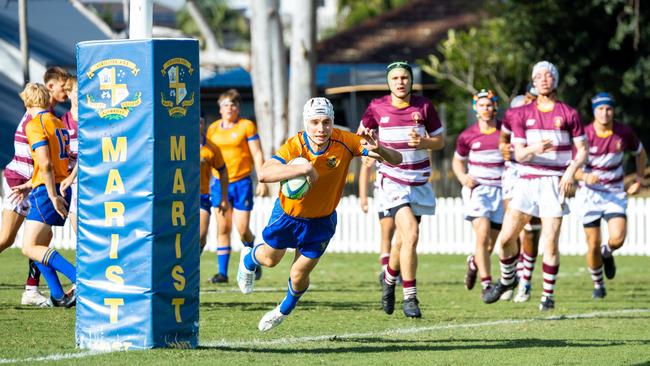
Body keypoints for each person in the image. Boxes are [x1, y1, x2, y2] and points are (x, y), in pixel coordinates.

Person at [236, 97, 401, 331]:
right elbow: (263, 173)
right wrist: (302, 168)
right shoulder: (296, 145)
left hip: (321, 222)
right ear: (306, 123)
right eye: (314, 122)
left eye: (326, 122)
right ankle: (248, 259)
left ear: (333, 122)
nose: (321, 129)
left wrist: (380, 149)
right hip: (287, 217)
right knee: (270, 260)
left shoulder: (346, 141)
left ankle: (283, 310)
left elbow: (398, 160)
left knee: (298, 274)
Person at [482, 61, 588, 311]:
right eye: (538, 76)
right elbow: (517, 154)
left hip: (555, 181)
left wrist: (571, 172)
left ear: (555, 80)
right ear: (533, 81)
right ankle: (508, 279)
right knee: (506, 240)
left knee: (550, 241)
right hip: (527, 181)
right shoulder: (521, 113)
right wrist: (535, 149)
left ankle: (547, 295)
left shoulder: (569, 113)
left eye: (548, 75)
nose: (543, 79)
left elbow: (582, 150)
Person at [360, 61, 445, 318]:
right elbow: (361, 136)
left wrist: (425, 141)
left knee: (403, 240)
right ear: (389, 82)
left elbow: (440, 141)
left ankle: (388, 279)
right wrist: (367, 152)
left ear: (411, 81)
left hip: (418, 181)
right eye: (395, 78)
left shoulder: (424, 106)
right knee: (412, 233)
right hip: (391, 179)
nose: (400, 82)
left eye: (405, 78)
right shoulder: (376, 107)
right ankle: (410, 297)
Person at [0, 67, 69, 307]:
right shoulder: (37, 119)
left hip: (34, 184)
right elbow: (42, 161)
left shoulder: (48, 118)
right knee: (7, 239)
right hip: (21, 183)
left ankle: (43, 292)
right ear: (49, 88)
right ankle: (48, 290)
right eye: (64, 87)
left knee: (38, 241)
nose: (67, 91)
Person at [574, 92, 646, 299]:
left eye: (608, 109)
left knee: (618, 238)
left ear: (613, 110)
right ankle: (598, 284)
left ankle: (608, 253)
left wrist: (639, 180)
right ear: (594, 111)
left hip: (614, 193)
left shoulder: (623, 132)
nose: (605, 113)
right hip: (589, 195)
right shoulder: (584, 135)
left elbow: (640, 153)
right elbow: (573, 168)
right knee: (592, 244)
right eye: (600, 109)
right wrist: (585, 177)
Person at [19, 83, 76, 307]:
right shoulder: (57, 123)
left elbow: (46, 163)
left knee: (29, 247)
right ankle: (59, 295)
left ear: (27, 101)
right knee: (40, 244)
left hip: (49, 190)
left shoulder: (34, 125)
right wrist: (29, 184)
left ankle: (80, 278)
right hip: (60, 186)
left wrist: (51, 195)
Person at [206, 89, 267, 283]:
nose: (229, 108)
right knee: (223, 228)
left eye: (233, 104)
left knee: (242, 229)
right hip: (218, 184)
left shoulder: (246, 126)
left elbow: (256, 153)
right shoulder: (213, 129)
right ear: (220, 109)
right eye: (225, 104)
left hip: (241, 182)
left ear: (238, 108)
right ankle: (222, 273)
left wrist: (262, 178)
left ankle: (252, 259)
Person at [452, 89, 504, 297]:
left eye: (489, 105)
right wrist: (463, 177)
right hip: (478, 190)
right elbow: (457, 160)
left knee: (490, 244)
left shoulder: (505, 132)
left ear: (495, 107)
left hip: (501, 191)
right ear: (476, 108)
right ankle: (487, 285)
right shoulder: (468, 135)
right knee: (482, 235)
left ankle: (474, 262)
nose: (486, 109)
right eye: (481, 105)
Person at [500, 84, 542, 303]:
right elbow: (503, 139)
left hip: (537, 172)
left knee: (532, 230)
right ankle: (511, 277)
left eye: (535, 97)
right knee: (512, 228)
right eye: (529, 96)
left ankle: (526, 279)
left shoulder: (547, 114)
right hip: (514, 172)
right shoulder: (515, 109)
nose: (531, 100)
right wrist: (503, 148)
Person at [358, 156, 401, 284]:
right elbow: (365, 168)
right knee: (387, 230)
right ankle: (386, 271)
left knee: (403, 235)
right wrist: (363, 197)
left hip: (404, 190)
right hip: (384, 192)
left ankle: (397, 268)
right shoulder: (377, 140)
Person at [199, 117, 229, 252]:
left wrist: (223, 197)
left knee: (201, 236)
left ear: (204, 124)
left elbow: (223, 171)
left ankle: (192, 268)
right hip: (180, 196)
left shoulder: (212, 148)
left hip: (202, 197)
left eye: (200, 121)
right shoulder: (179, 143)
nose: (197, 125)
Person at [59, 76, 79, 234]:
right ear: (69, 93)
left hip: (91, 176)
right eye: (78, 91)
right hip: (70, 179)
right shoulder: (62, 122)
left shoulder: (91, 119)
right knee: (74, 214)